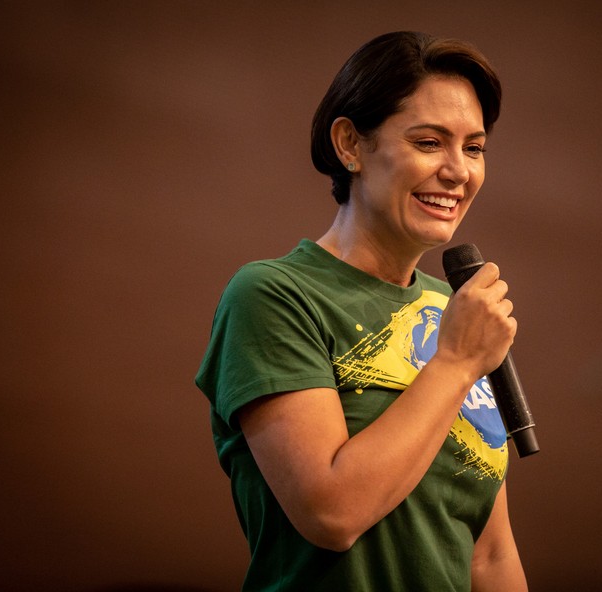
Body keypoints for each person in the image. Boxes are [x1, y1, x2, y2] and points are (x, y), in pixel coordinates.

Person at [195, 31, 528, 591]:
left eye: (473, 148)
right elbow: (331, 513)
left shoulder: (451, 312)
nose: (458, 171)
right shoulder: (274, 295)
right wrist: (453, 364)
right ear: (350, 144)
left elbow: (488, 554)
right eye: (429, 142)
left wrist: (460, 353)